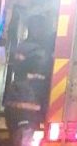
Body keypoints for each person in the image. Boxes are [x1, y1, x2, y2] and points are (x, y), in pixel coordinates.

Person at [4, 14, 54, 146]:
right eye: (42, 27)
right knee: (24, 139)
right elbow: (44, 74)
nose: (44, 31)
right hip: (28, 109)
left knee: (19, 138)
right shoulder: (39, 53)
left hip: (16, 108)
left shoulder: (23, 47)